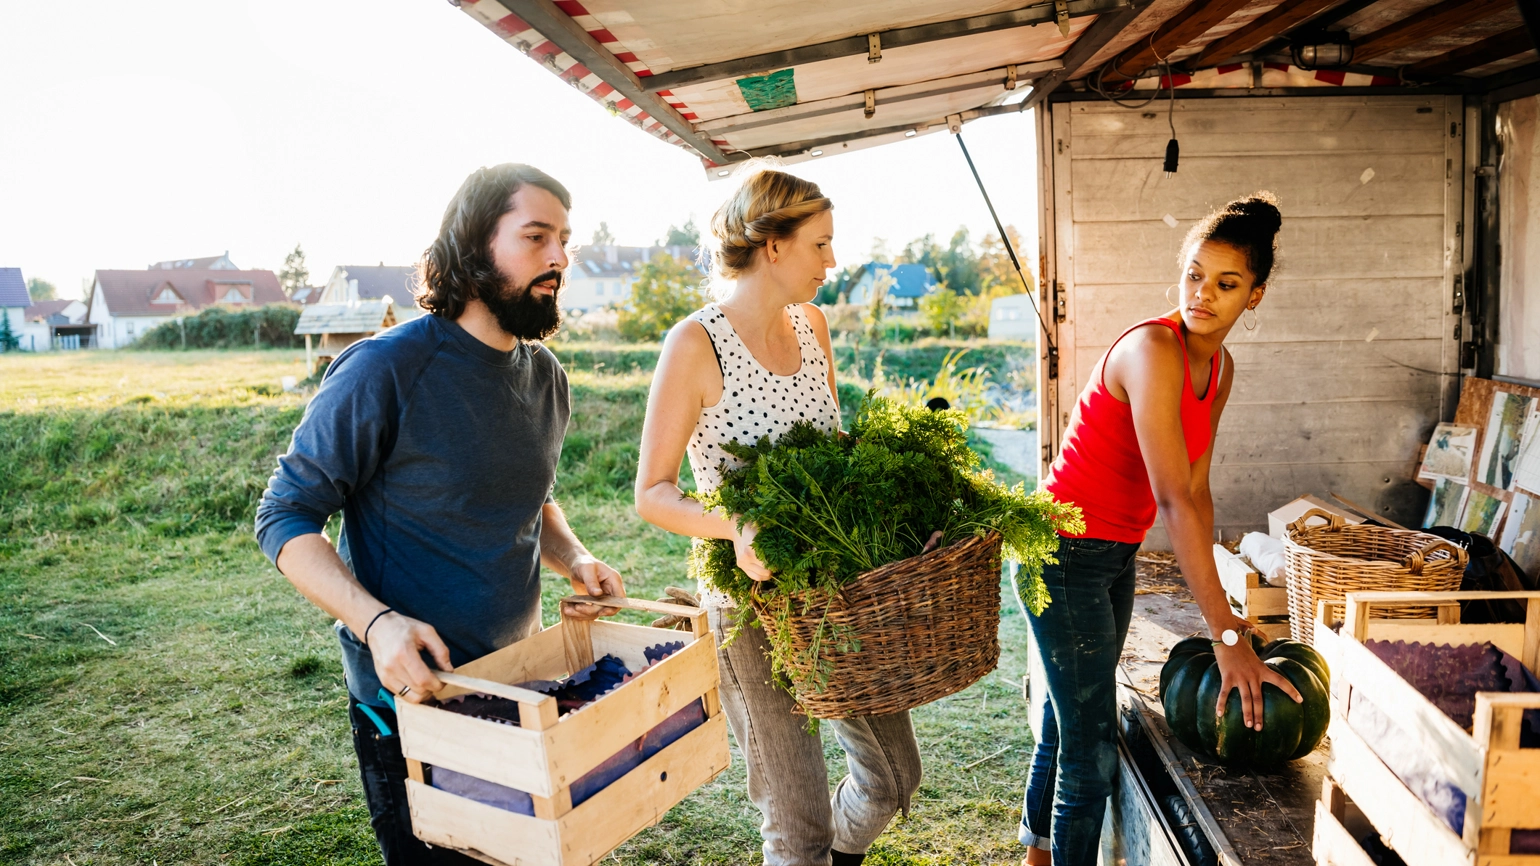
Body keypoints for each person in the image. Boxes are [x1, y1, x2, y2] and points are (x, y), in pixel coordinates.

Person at [255, 163, 624, 865]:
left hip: (521, 679)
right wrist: (377, 623)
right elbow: (284, 517)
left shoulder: (546, 377)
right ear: (474, 246)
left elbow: (529, 496)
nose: (559, 260)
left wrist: (574, 556)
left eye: (565, 241)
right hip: (411, 697)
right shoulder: (384, 369)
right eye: (537, 237)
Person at [634, 163, 922, 866]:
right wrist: (737, 526)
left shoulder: (811, 324)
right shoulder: (696, 343)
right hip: (750, 604)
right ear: (772, 246)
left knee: (893, 780)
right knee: (796, 826)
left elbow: (831, 445)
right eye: (820, 244)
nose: (833, 260)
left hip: (837, 593)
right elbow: (653, 492)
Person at [1018, 194, 1301, 866]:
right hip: (1058, 553)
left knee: (1069, 719)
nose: (1204, 294)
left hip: (1112, 556)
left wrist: (1228, 618)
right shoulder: (1153, 349)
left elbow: (1198, 492)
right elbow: (1174, 501)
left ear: (1254, 297)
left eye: (1227, 284)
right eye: (1195, 275)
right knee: (1092, 752)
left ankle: (1032, 853)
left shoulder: (1219, 369)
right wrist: (1226, 633)